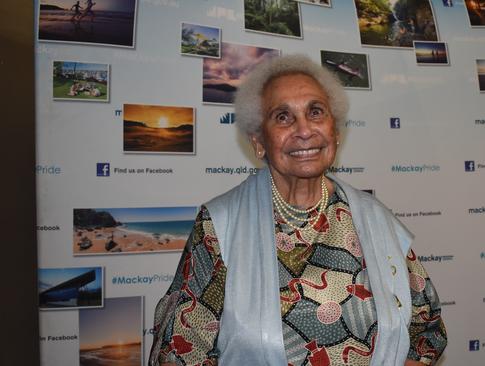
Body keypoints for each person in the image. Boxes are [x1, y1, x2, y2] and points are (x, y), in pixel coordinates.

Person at [149, 55, 447, 366]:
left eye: (315, 112)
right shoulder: (220, 226)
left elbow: (427, 330)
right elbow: (179, 352)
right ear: (259, 142)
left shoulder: (374, 218)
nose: (304, 130)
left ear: (335, 132)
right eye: (283, 117)